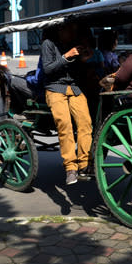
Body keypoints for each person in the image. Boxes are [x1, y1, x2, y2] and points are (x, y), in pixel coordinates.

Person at [40, 23, 93, 185]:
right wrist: (66, 57)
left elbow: (78, 68)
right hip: (55, 89)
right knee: (65, 125)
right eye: (71, 29)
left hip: (75, 88)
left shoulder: (73, 44)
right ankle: (70, 167)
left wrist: (84, 58)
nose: (73, 32)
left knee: (86, 124)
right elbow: (48, 69)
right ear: (61, 30)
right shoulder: (48, 44)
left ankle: (84, 163)